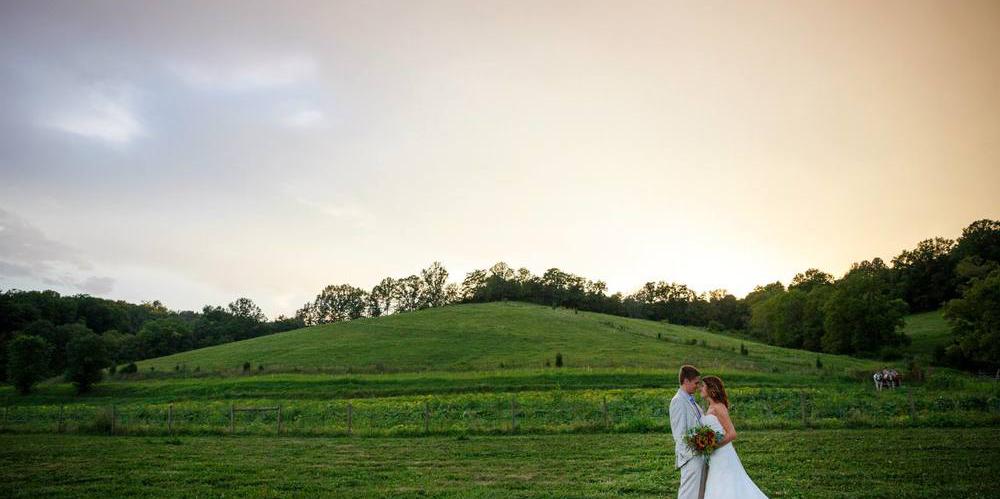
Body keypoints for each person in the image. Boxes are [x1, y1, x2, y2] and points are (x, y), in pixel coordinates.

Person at [700, 376, 768, 498]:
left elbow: (732, 433)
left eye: (703, 386)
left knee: (727, 484)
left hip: (723, 454)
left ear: (711, 390)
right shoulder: (710, 407)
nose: (700, 388)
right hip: (715, 456)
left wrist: (713, 446)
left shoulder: (719, 407)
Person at [670, 365, 706, 499]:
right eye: (696, 382)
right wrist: (691, 455)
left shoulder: (690, 400)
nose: (698, 386)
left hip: (699, 454)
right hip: (691, 456)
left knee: (697, 494)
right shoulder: (678, 401)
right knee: (688, 494)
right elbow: (679, 434)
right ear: (686, 381)